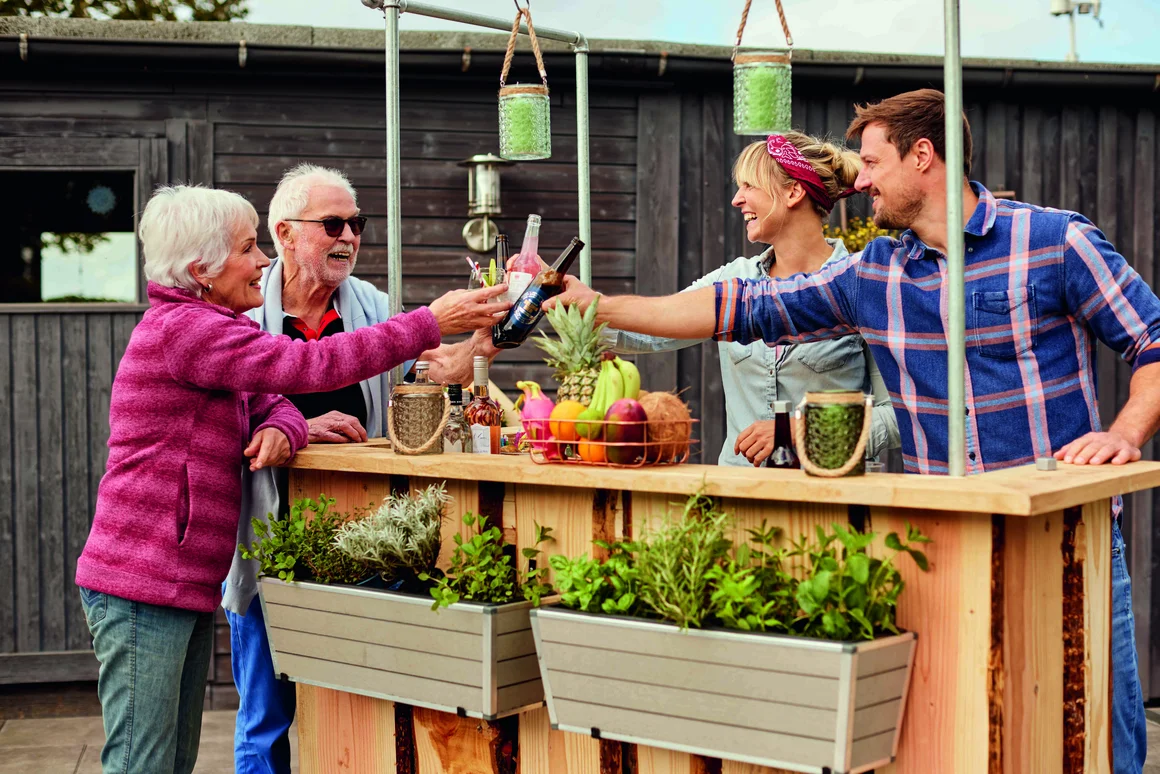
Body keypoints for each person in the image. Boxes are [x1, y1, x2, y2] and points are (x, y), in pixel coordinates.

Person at [548, 89, 1158, 772]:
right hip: (950, 539)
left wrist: (1126, 431)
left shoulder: (1054, 241)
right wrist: (599, 305)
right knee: (966, 736)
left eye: (872, 161)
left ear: (922, 156)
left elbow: (1153, 340)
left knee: (1097, 727)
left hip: (1067, 539)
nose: (859, 178)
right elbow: (738, 308)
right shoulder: (875, 275)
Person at [75, 185, 507, 774]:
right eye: (247, 248)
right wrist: (428, 321)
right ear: (201, 269)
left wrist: (293, 427)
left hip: (176, 583)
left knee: (171, 759)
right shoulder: (189, 331)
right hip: (142, 583)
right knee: (141, 764)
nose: (260, 262)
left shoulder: (213, 329)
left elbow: (271, 397)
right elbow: (306, 365)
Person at [221, 164, 505, 774]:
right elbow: (220, 419)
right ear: (284, 233)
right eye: (332, 224)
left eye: (357, 223)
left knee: (361, 711)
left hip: (362, 541)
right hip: (269, 538)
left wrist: (475, 348)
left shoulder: (371, 303)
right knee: (266, 719)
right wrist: (296, 425)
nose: (349, 235)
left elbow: (425, 377)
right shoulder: (241, 315)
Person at [591, 131, 898, 466]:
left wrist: (800, 429)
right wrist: (562, 300)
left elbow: (898, 414)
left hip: (828, 498)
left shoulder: (860, 285)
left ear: (793, 191)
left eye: (749, 185)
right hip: (739, 494)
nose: (737, 199)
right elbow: (646, 334)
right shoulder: (733, 281)